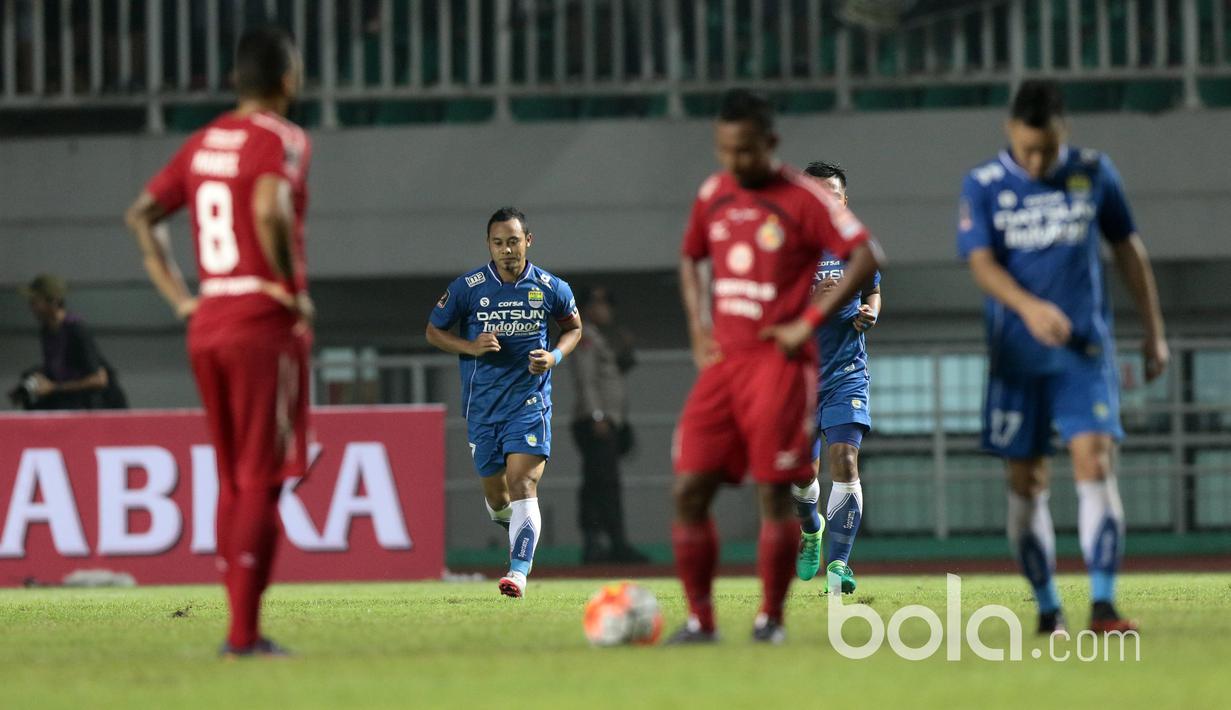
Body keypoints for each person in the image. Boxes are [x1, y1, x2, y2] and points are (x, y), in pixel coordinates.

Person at [124, 26, 314, 658]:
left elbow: (141, 215)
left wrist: (182, 298)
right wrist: (290, 286)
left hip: (208, 323)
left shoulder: (202, 142)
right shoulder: (280, 139)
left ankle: (240, 629)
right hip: (261, 319)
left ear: (236, 80)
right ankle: (242, 635)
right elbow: (268, 209)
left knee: (234, 480)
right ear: (288, 79)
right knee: (261, 478)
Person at [670, 89, 883, 644]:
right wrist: (698, 330)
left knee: (775, 489)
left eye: (744, 150)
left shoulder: (804, 200)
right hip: (724, 368)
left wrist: (807, 323)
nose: (734, 162)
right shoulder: (714, 193)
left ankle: (772, 619)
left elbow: (869, 257)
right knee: (690, 488)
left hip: (784, 368)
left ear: (770, 142)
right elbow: (690, 256)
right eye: (724, 149)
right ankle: (701, 621)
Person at [958, 80, 1167, 634]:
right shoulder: (983, 184)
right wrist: (1028, 308)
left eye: (1046, 150)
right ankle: (1049, 610)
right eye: (1027, 148)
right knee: (1027, 482)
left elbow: (1128, 249)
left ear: (1063, 133)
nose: (1035, 160)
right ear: (1010, 131)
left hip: (1083, 352)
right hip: (1017, 358)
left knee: (1096, 464)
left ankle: (1103, 607)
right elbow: (980, 264)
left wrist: (1154, 332)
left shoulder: (1094, 172)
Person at [426, 206, 583, 599]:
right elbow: (433, 330)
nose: (506, 250)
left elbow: (573, 328)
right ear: (489, 245)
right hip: (482, 408)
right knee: (499, 497)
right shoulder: (469, 286)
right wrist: (469, 346)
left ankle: (517, 573)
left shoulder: (551, 287)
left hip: (529, 403)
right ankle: (508, 521)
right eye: (498, 243)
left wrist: (554, 357)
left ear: (528, 241)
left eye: (513, 241)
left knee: (523, 483)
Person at [790, 162, 882, 594]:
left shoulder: (854, 248)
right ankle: (812, 531)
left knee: (844, 460)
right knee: (800, 477)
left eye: (832, 192)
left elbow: (872, 292)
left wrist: (870, 313)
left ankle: (839, 564)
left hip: (846, 373)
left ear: (844, 200)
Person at [570, 285, 648, 564]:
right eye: (597, 304)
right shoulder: (586, 335)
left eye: (607, 305)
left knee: (604, 483)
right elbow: (586, 379)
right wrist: (598, 416)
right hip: (595, 421)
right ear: (587, 308)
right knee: (600, 483)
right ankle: (601, 544)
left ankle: (612, 542)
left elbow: (610, 374)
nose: (604, 310)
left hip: (607, 420)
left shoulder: (602, 338)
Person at [10, 274, 126, 410]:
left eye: (36, 301)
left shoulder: (76, 330)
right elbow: (60, 368)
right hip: (70, 400)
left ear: (53, 302)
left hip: (95, 407)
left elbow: (99, 379)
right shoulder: (46, 330)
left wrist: (54, 388)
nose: (32, 307)